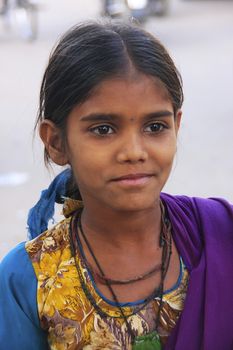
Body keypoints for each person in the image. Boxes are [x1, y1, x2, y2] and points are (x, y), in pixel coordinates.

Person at [0, 20, 232, 350]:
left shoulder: (219, 234)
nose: (134, 152)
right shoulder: (29, 280)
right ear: (56, 142)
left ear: (176, 126)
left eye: (155, 126)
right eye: (104, 129)